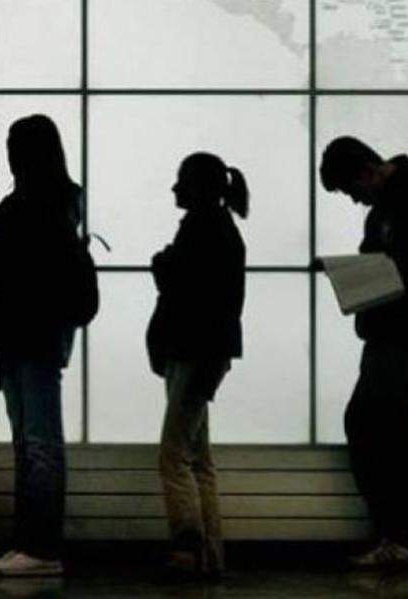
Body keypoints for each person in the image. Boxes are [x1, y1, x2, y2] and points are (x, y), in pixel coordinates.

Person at [319, 136, 408, 568]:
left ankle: (402, 535)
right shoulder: (407, 201)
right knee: (391, 427)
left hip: (406, 332)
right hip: (399, 332)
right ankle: (401, 535)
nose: (355, 200)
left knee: (379, 426)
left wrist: (357, 272)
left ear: (366, 172)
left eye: (352, 191)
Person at [0, 115, 84, 577]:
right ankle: (32, 545)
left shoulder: (25, 207)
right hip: (37, 336)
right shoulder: (59, 205)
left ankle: (40, 547)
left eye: (14, 146)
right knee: (33, 442)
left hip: (24, 334)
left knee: (36, 443)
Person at [150, 152, 247, 579]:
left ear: (197, 187)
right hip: (206, 355)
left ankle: (188, 548)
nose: (174, 188)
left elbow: (185, 290)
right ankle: (210, 555)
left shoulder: (202, 230)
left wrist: (162, 265)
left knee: (174, 456)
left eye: (181, 181)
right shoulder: (220, 229)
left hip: (193, 353)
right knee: (198, 458)